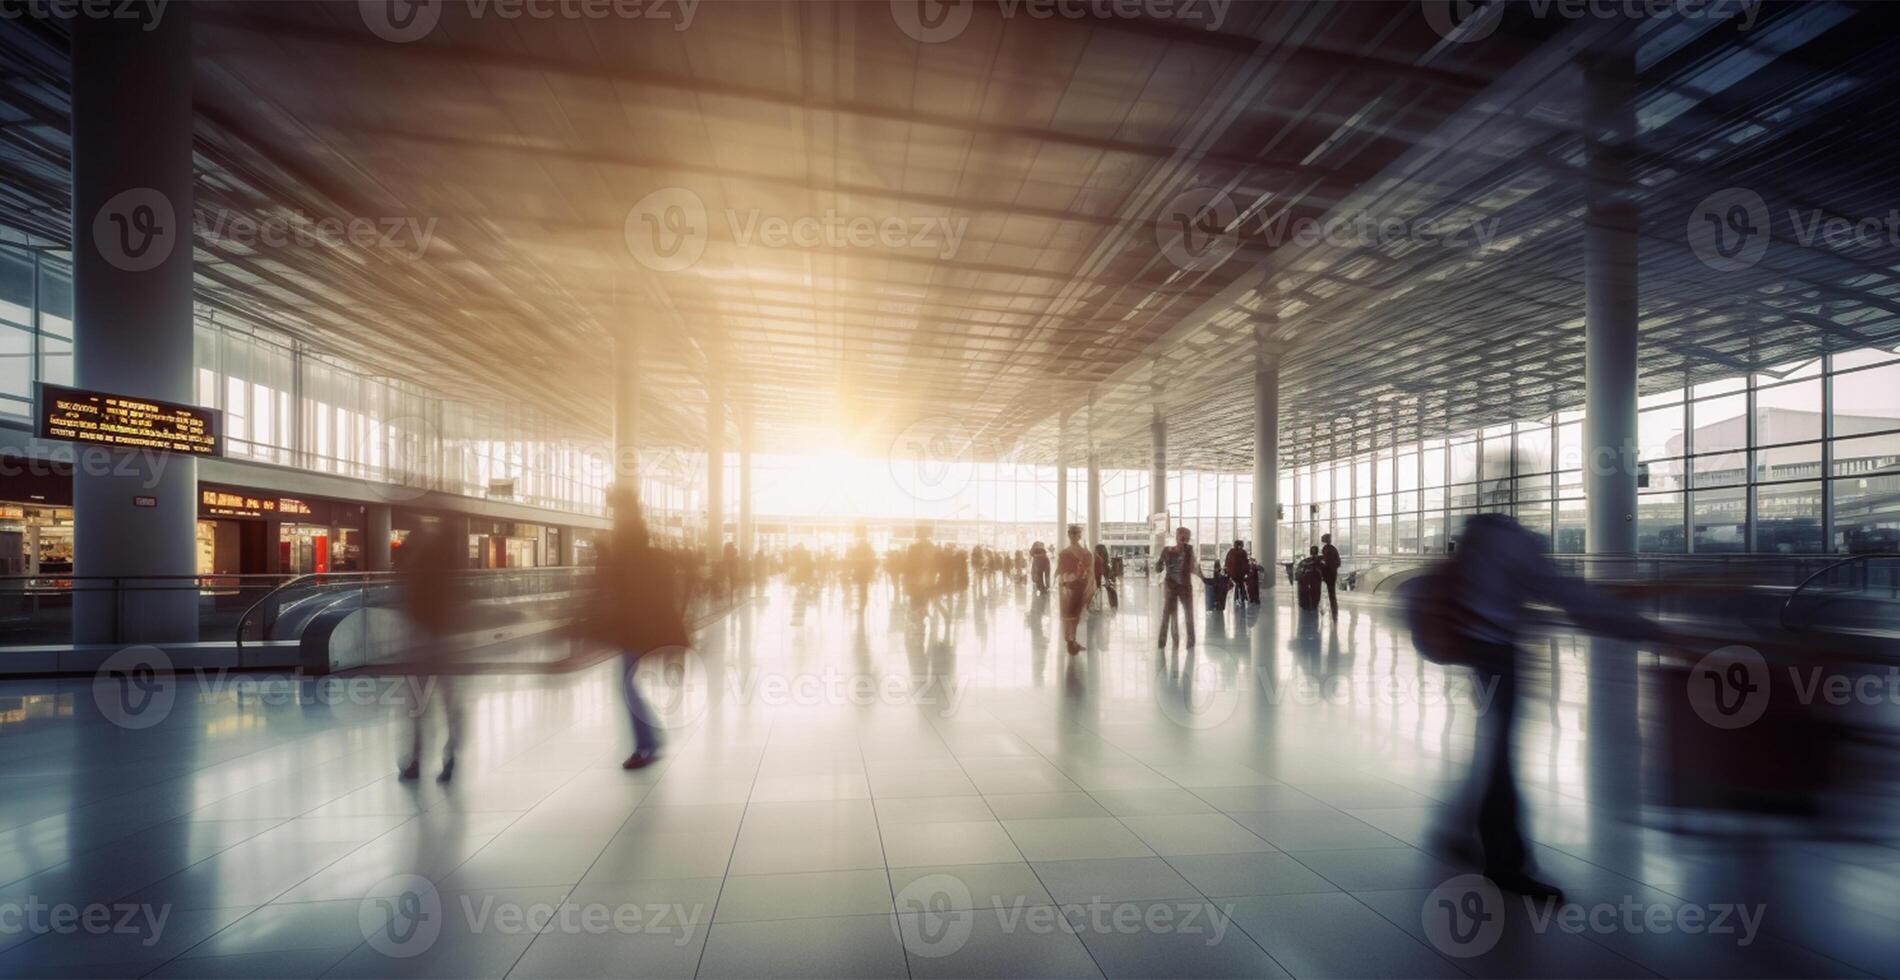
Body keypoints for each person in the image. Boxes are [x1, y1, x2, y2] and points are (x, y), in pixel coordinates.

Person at [1436, 512, 1659, 900]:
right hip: (1499, 656)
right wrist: (1651, 630)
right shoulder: (1512, 539)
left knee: (1493, 749)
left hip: (1478, 652)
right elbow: (1566, 596)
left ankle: (1462, 829)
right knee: (1500, 757)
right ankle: (1505, 863)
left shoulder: (1476, 537)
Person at [591, 489, 687, 770]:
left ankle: (647, 744)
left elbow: (628, 577)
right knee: (627, 683)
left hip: (638, 624)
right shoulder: (632, 530)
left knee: (627, 684)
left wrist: (606, 553)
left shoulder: (627, 532)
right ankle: (650, 740)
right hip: (638, 623)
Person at [398, 525, 463, 782]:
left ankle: (416, 759)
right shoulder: (445, 569)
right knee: (448, 703)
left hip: (422, 641)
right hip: (444, 641)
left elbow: (409, 604)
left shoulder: (418, 571)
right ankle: (449, 755)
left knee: (417, 705)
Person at [1055, 525, 1095, 654]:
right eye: (1073, 533)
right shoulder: (1082, 553)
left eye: (1075, 533)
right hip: (1073, 587)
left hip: (1072, 587)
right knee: (1072, 615)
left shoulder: (1069, 553)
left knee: (1071, 615)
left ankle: (1071, 641)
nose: (1074, 536)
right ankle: (1071, 642)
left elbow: (1061, 572)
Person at [1154, 526, 1196, 648]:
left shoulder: (1189, 550)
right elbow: (1159, 566)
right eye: (1181, 536)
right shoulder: (1167, 550)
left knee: (1188, 614)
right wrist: (1159, 566)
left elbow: (1193, 566)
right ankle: (1163, 642)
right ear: (1176, 537)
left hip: (1185, 587)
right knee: (1167, 614)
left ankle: (1190, 641)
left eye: (1186, 537)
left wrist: (1204, 579)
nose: (1183, 539)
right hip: (1171, 586)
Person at [1223, 540, 1250, 610]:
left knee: (1237, 585)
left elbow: (1227, 562)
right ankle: (1242, 598)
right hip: (1240, 573)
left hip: (1233, 573)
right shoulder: (1243, 552)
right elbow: (1246, 563)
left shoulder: (1231, 552)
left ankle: (1237, 598)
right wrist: (1247, 572)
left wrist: (1226, 571)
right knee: (1240, 585)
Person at [1319, 532, 1341, 616]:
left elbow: (1326, 559)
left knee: (1331, 590)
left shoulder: (1327, 548)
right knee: (1331, 591)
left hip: (1329, 573)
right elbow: (1337, 562)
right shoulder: (1332, 548)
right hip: (1332, 572)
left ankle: (1333, 607)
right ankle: (1333, 607)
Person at [1093, 543, 1115, 609]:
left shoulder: (1097, 562)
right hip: (1102, 590)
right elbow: (1113, 579)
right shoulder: (1105, 565)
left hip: (1099, 589)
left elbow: (1112, 578)